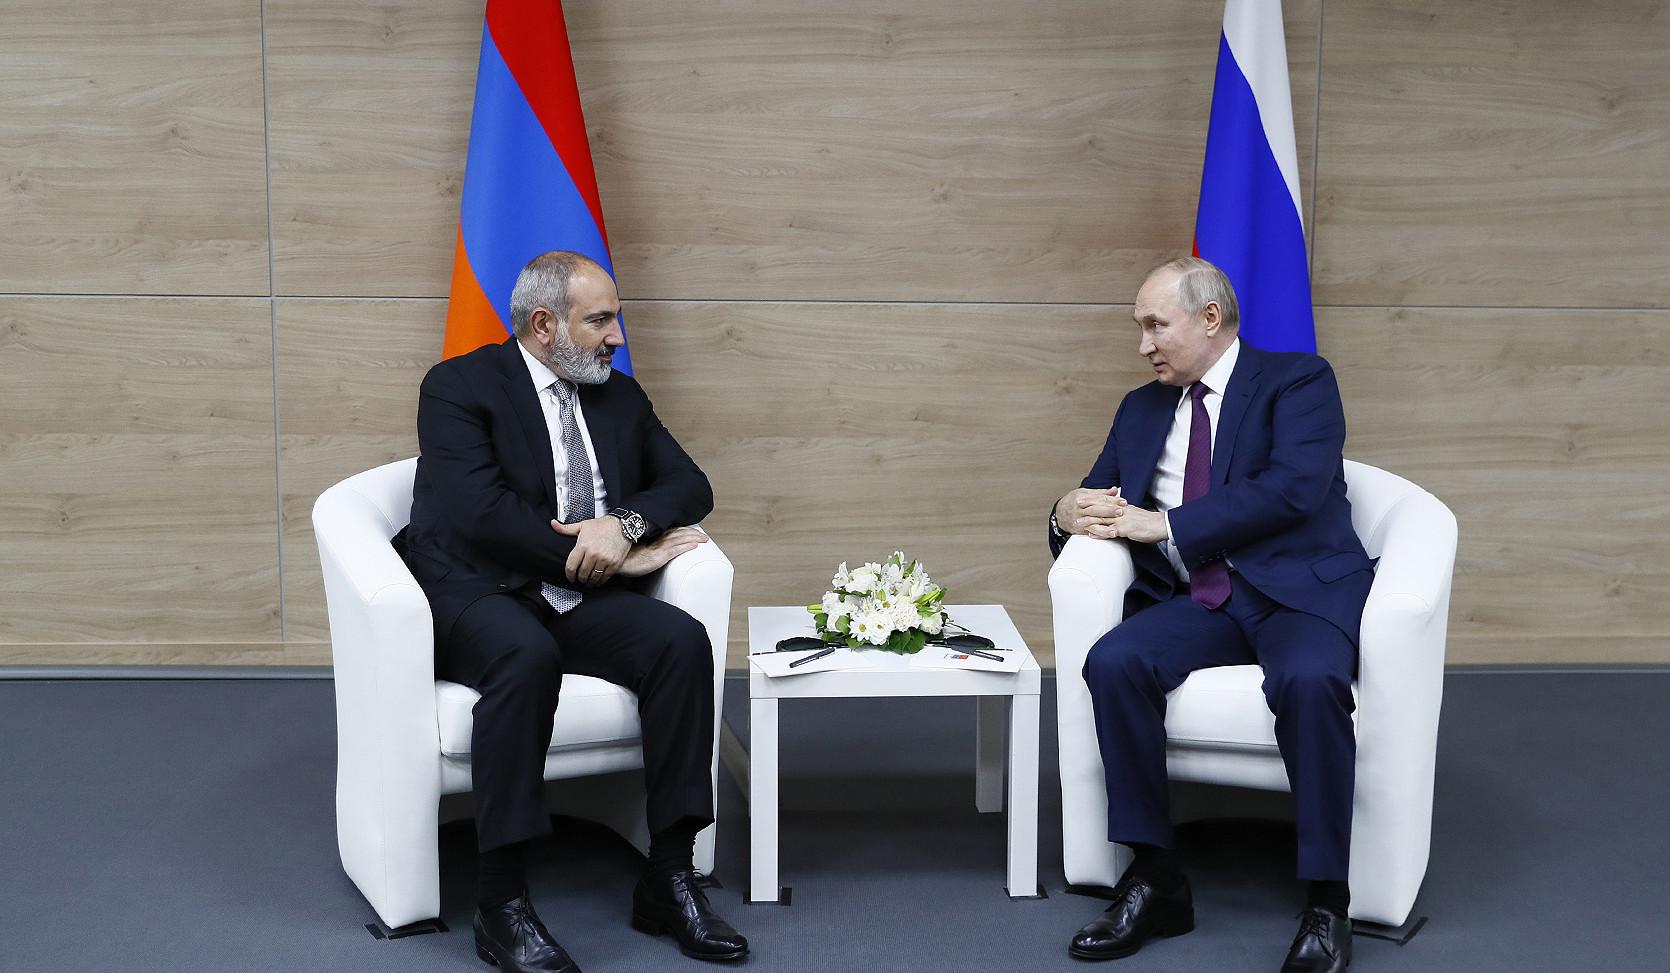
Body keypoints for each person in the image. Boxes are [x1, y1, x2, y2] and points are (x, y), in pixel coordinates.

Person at [395, 251, 748, 971]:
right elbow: (482, 513)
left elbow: (690, 484)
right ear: (544, 324)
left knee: (679, 642)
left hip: (573, 596)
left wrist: (623, 527)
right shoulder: (458, 387)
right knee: (526, 655)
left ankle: (669, 876)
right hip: (476, 588)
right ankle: (501, 902)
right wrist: (601, 559)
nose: (617, 336)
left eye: (615, 318)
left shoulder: (619, 396)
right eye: (601, 320)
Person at [1049, 257, 1370, 973]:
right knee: (1115, 661)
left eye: (1155, 325)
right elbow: (1100, 496)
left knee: (1310, 682)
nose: (1144, 344)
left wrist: (1165, 524)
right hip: (1201, 599)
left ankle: (1327, 901)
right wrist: (1065, 510)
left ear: (1210, 318)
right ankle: (1157, 879)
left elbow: (1292, 489)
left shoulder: (1298, 382)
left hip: (1296, 594)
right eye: (1140, 328)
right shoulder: (1142, 408)